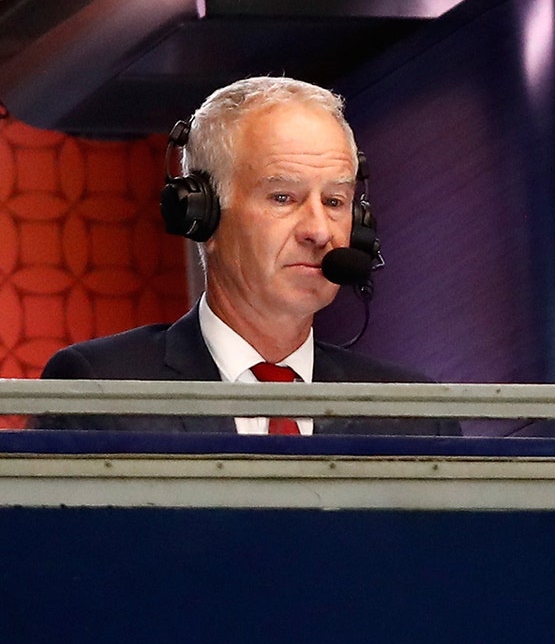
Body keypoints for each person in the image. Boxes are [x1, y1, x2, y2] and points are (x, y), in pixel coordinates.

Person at [36, 76, 458, 437]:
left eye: (334, 201)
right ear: (203, 216)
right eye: (283, 198)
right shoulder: (102, 389)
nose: (318, 230)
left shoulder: (412, 416)